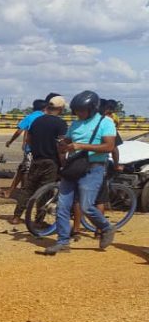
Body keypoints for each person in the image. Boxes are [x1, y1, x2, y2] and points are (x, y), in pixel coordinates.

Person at [44, 90, 117, 255]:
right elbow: (68, 140)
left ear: (92, 108)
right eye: (76, 110)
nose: (79, 113)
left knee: (86, 206)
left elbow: (109, 147)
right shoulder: (76, 124)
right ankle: (63, 242)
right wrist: (63, 143)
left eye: (82, 110)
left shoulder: (106, 122)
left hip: (93, 168)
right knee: (62, 206)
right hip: (74, 167)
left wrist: (81, 146)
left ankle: (106, 227)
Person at [11, 95, 68, 223]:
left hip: (36, 159)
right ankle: (39, 220)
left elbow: (29, 140)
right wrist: (63, 163)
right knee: (45, 191)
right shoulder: (60, 124)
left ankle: (16, 216)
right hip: (51, 161)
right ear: (61, 108)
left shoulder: (37, 121)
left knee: (28, 189)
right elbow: (61, 145)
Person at [4, 98, 46, 198]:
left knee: (25, 170)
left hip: (31, 149)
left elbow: (20, 131)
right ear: (45, 108)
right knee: (24, 169)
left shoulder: (30, 117)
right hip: (44, 149)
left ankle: (24, 193)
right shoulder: (46, 118)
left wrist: (10, 141)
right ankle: (15, 191)